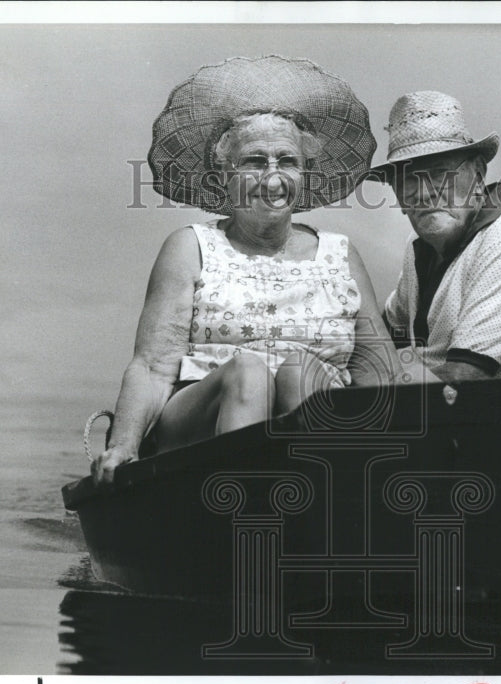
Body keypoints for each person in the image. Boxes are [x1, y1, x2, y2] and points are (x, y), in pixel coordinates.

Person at [93, 56, 399, 485]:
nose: (272, 178)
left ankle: (317, 496)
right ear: (223, 176)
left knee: (301, 369)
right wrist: (123, 447)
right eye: (254, 161)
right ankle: (236, 501)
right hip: (201, 424)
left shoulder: (340, 255)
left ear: (305, 174)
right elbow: (153, 367)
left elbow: (379, 375)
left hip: (314, 426)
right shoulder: (191, 248)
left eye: (287, 161)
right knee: (249, 373)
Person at [370, 91, 501, 384]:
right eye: (407, 179)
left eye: (440, 173)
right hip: (449, 410)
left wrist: (373, 382)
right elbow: (383, 336)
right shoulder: (418, 248)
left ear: (478, 174)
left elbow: (464, 378)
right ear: (398, 196)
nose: (424, 192)